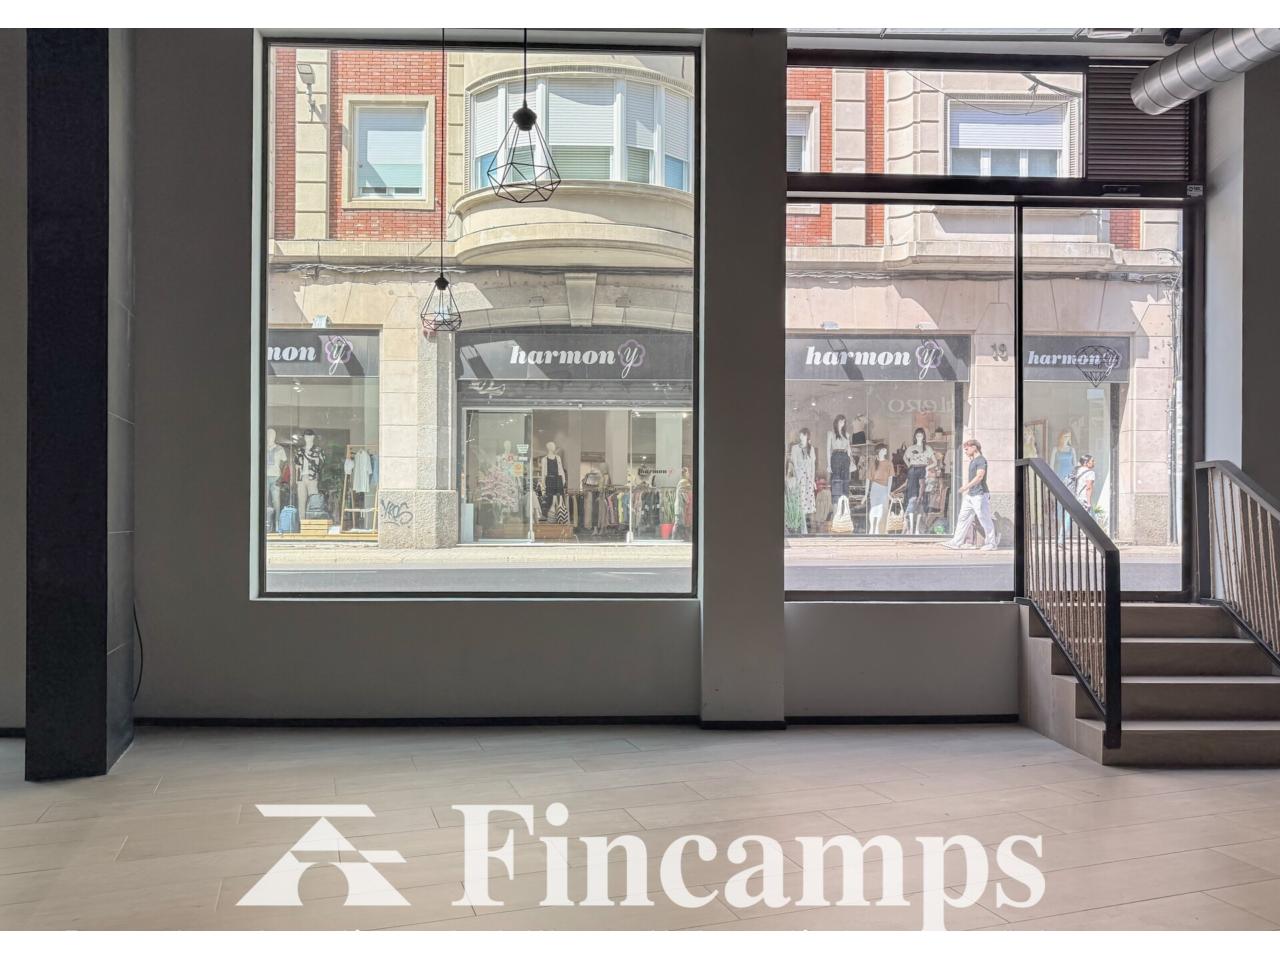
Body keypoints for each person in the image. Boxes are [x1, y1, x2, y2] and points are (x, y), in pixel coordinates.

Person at [944, 438, 997, 551]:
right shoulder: (973, 461)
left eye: (967, 449)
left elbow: (979, 476)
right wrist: (968, 490)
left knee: (984, 518)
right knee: (963, 517)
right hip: (971, 495)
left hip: (980, 494)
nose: (965, 451)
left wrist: (965, 487)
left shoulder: (981, 460)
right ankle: (956, 542)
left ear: (974, 447)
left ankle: (991, 543)